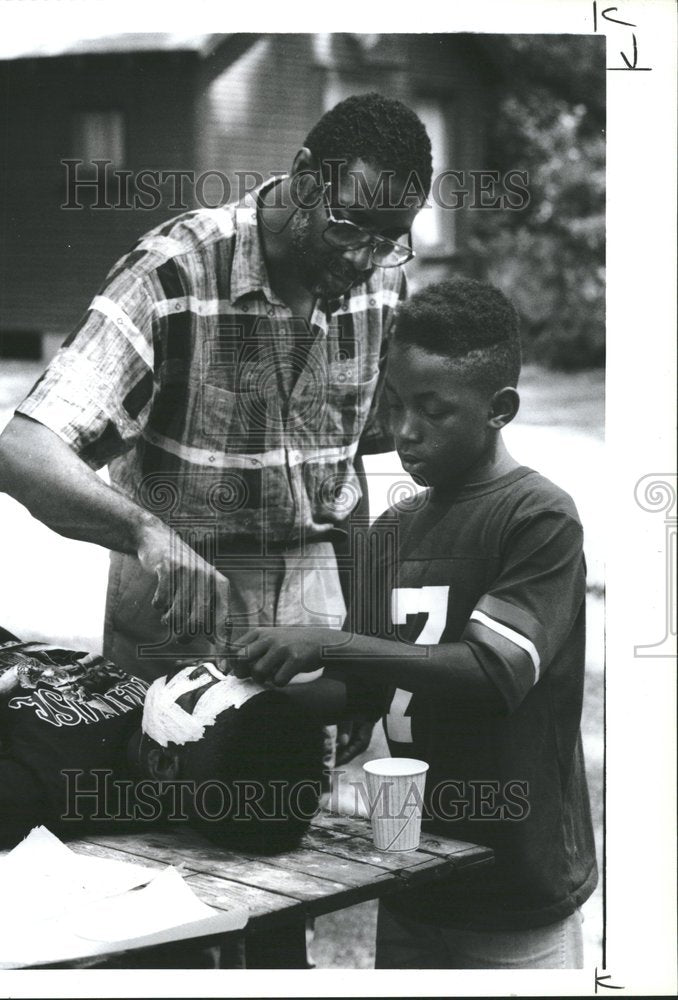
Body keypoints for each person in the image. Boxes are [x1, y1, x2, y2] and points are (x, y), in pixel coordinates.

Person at [0, 93, 434, 767]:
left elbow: (352, 479)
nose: (363, 262)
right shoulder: (174, 271)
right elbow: (22, 453)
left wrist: (362, 660)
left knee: (308, 839)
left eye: (388, 241)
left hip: (316, 616)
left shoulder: (379, 293)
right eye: (350, 228)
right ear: (306, 175)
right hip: (181, 604)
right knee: (161, 827)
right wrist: (148, 534)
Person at [231, 278, 599, 969]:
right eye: (395, 405)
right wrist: (253, 685)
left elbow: (494, 672)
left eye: (433, 410)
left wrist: (328, 641)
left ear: (500, 410)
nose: (404, 431)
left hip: (515, 891)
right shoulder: (395, 527)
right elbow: (360, 693)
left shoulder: (538, 517)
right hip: (411, 877)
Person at [0, 627, 323, 854]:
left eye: (201, 694)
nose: (219, 669)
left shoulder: (53, 785)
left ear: (162, 765)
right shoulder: (154, 726)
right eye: (234, 678)